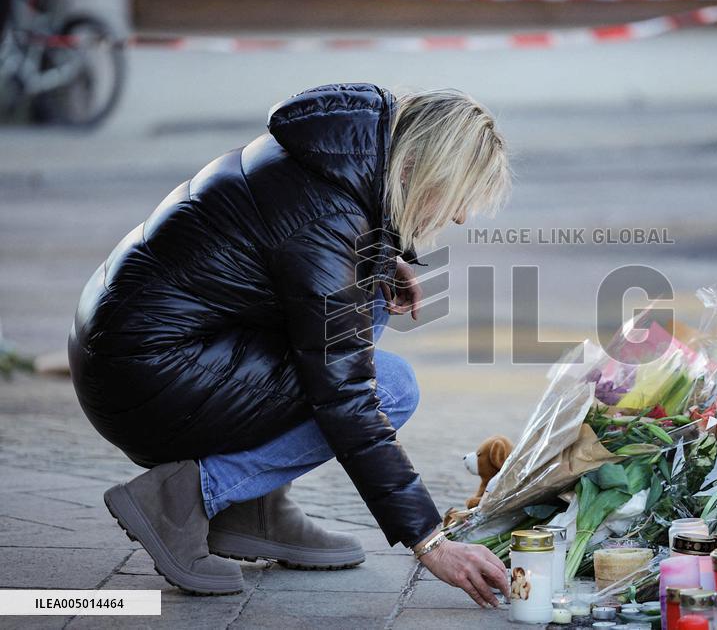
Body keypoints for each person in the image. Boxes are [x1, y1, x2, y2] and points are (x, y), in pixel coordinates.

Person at [68, 83, 512, 606]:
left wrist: (374, 262)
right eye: (458, 197)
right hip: (147, 376)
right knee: (391, 388)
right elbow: (344, 397)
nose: (458, 217)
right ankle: (181, 500)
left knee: (364, 300)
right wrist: (430, 541)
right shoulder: (329, 218)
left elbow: (280, 252)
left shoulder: (336, 153)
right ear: (422, 167)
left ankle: (253, 507)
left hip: (137, 350)